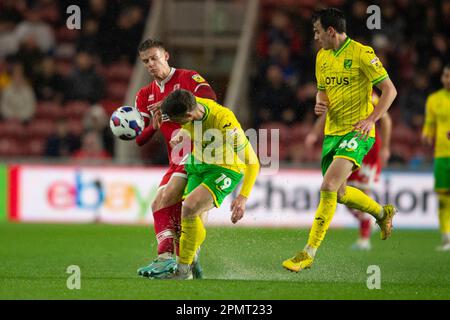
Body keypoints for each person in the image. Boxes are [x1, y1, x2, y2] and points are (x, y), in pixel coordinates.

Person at [282, 8, 398, 272]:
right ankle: (382, 213)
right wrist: (320, 104)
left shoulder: (362, 53)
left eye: (317, 31)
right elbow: (322, 93)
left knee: (328, 186)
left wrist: (372, 119)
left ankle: (308, 252)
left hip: (358, 133)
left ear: (330, 31)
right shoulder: (322, 57)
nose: (315, 37)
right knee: (341, 193)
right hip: (332, 134)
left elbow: (390, 90)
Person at [134, 39, 217, 279]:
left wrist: (173, 106)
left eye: (154, 58)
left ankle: (169, 259)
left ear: (166, 56)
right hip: (177, 158)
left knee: (168, 199)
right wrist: (152, 127)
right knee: (162, 205)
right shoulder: (144, 95)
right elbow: (140, 139)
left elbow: (211, 102)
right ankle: (186, 261)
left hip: (201, 152)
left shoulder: (188, 78)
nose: (150, 64)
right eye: (145, 61)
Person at [160, 89, 260, 280]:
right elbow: (187, 121)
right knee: (190, 219)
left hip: (224, 168)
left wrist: (243, 197)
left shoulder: (224, 121)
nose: (177, 125)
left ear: (189, 115)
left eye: (179, 122)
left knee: (188, 207)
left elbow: (253, 162)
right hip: (197, 164)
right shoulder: (189, 102)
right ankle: (193, 256)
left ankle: (183, 269)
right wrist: (182, 132)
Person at [305, 92, 392, 250]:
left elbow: (386, 120)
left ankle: (364, 237)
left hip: (365, 144)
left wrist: (385, 147)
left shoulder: (370, 95)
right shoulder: (340, 89)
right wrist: (313, 132)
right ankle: (376, 216)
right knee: (341, 193)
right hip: (344, 141)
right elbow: (326, 114)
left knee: (363, 189)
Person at [422, 64, 450, 251]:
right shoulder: (433, 99)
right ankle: (446, 237)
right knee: (443, 197)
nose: (448, 79)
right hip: (441, 154)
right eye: (446, 75)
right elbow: (430, 123)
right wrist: (427, 134)